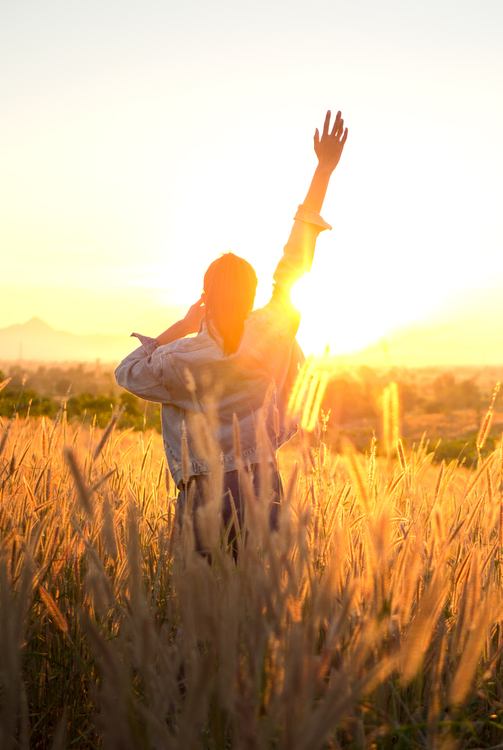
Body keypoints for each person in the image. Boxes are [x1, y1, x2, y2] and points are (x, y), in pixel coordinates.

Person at [115, 110, 348, 554]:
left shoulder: (177, 359)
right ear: (256, 292)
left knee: (201, 606)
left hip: (203, 495)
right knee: (260, 600)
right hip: (263, 486)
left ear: (204, 293)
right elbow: (296, 260)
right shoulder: (270, 330)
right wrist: (322, 170)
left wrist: (179, 327)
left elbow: (127, 372)